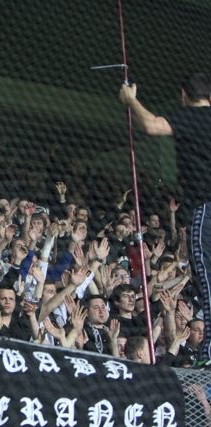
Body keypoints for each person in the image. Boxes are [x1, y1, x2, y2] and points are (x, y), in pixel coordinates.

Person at [119, 73, 211, 359]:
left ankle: (208, 350)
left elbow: (151, 125)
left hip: (206, 207)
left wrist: (131, 99)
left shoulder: (190, 117)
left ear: (184, 95)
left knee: (206, 275)